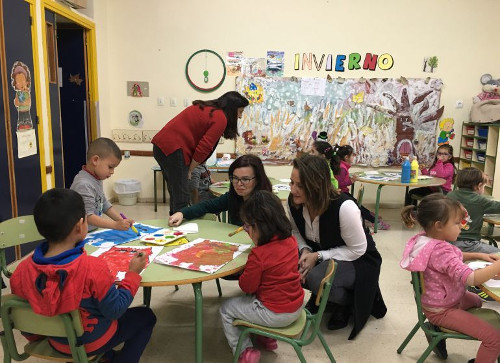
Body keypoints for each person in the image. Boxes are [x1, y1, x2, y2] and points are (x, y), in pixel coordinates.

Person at [10, 188, 156, 362]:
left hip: (55, 341)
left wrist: (43, 337)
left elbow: (24, 317)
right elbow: (115, 310)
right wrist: (132, 274)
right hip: (93, 341)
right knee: (146, 317)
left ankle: (104, 357)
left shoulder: (21, 271)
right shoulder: (93, 268)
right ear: (80, 226)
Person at [287, 154, 386, 340]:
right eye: (291, 183)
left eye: (300, 185)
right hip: (324, 252)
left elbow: (357, 250)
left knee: (317, 277)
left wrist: (318, 256)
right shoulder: (294, 203)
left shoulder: (344, 207)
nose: (293, 190)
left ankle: (346, 304)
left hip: (358, 259)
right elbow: (296, 232)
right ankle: (324, 297)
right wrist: (305, 251)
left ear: (317, 185)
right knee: (288, 267)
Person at [400, 193, 500, 363]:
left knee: (476, 300)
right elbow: (472, 279)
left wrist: (479, 255)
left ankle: (440, 325)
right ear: (439, 225)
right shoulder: (440, 250)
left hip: (435, 301)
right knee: (494, 339)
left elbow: (454, 256)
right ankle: (438, 325)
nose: (461, 227)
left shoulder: (426, 239)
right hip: (442, 310)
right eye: (456, 223)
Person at [219, 190, 304, 363]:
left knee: (226, 308)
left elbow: (247, 286)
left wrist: (247, 269)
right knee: (253, 296)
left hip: (275, 314)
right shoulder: (291, 241)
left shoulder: (259, 255)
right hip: (296, 306)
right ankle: (266, 337)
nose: (246, 230)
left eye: (247, 226)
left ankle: (245, 352)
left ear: (259, 227)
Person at [152, 91, 249, 215]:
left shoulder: (207, 108)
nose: (240, 116)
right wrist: (190, 170)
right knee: (182, 197)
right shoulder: (220, 117)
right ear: (231, 109)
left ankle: (174, 222)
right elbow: (204, 147)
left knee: (176, 192)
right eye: (240, 111)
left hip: (161, 147)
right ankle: (180, 228)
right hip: (174, 150)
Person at [168, 154, 272, 227]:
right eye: (235, 178)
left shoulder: (267, 204)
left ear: (257, 179)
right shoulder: (233, 196)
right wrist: (182, 213)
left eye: (245, 179)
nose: (239, 184)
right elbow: (207, 206)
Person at [70, 137, 134, 232]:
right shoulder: (84, 184)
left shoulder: (96, 178)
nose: (112, 172)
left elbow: (104, 204)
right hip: (79, 234)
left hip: (91, 231)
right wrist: (115, 225)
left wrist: (121, 220)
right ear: (95, 160)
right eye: (110, 167)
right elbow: (88, 217)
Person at [331, 144, 390, 230]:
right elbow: (339, 184)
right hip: (341, 193)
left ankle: (371, 216)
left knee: (358, 205)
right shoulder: (342, 167)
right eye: (353, 155)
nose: (354, 157)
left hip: (343, 192)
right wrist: (351, 181)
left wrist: (349, 179)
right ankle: (374, 221)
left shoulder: (343, 166)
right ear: (346, 157)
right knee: (358, 206)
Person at [447, 167, 500, 254]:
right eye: (484, 186)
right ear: (479, 186)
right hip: (469, 244)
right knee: (498, 253)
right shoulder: (479, 200)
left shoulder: (450, 195)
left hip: (448, 241)